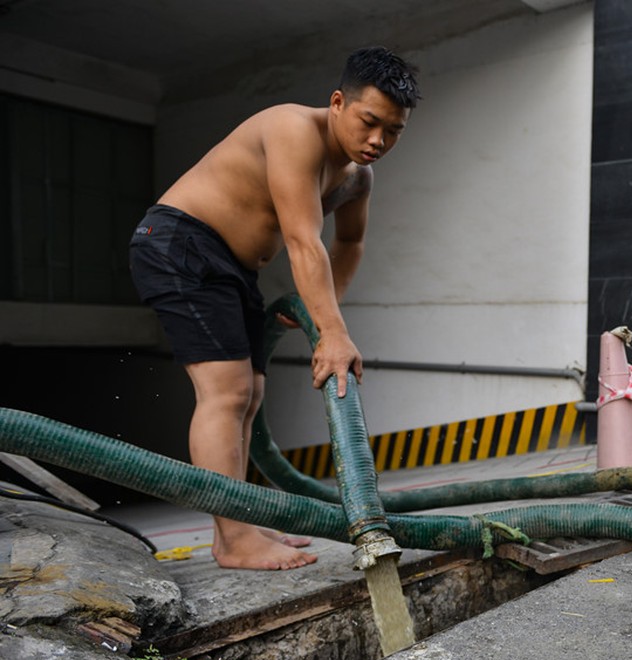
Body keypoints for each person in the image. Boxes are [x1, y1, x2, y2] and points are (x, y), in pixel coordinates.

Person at [129, 47, 420, 570]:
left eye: (393, 131)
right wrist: (331, 332)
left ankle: (234, 522)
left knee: (252, 391)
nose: (378, 140)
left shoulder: (358, 177)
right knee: (228, 390)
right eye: (370, 122)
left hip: (232, 265)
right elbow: (303, 240)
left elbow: (349, 245)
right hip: (179, 241)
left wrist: (321, 318)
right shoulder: (292, 130)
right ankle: (234, 539)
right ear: (338, 102)